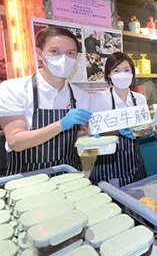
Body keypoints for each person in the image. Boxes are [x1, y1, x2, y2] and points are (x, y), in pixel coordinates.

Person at [0, 27, 91, 175]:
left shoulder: (80, 96)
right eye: (55, 51)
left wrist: (91, 141)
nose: (64, 58)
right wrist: (61, 124)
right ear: (39, 53)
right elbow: (16, 141)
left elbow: (81, 132)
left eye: (70, 53)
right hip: (28, 177)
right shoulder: (13, 89)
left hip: (69, 174)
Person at [89, 52, 152, 187]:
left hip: (134, 162)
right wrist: (118, 130)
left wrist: (148, 130)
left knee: (137, 203)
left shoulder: (139, 99)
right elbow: (95, 133)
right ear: (109, 75)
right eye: (116, 70)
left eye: (126, 70)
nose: (122, 74)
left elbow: (142, 129)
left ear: (132, 74)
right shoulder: (100, 98)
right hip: (108, 164)